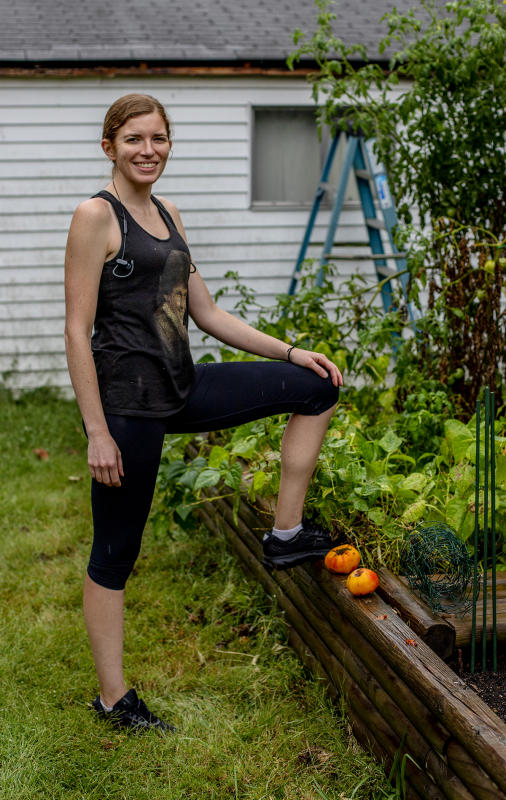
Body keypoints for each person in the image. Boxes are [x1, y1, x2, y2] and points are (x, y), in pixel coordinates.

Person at [64, 94, 343, 732]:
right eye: (134, 139)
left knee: (316, 389)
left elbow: (207, 314)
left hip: (181, 386)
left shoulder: (168, 213)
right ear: (110, 146)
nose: (148, 150)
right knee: (116, 552)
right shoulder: (95, 217)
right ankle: (113, 701)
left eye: (158, 138)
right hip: (128, 408)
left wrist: (294, 352)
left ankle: (284, 536)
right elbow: (77, 332)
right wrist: (99, 433)